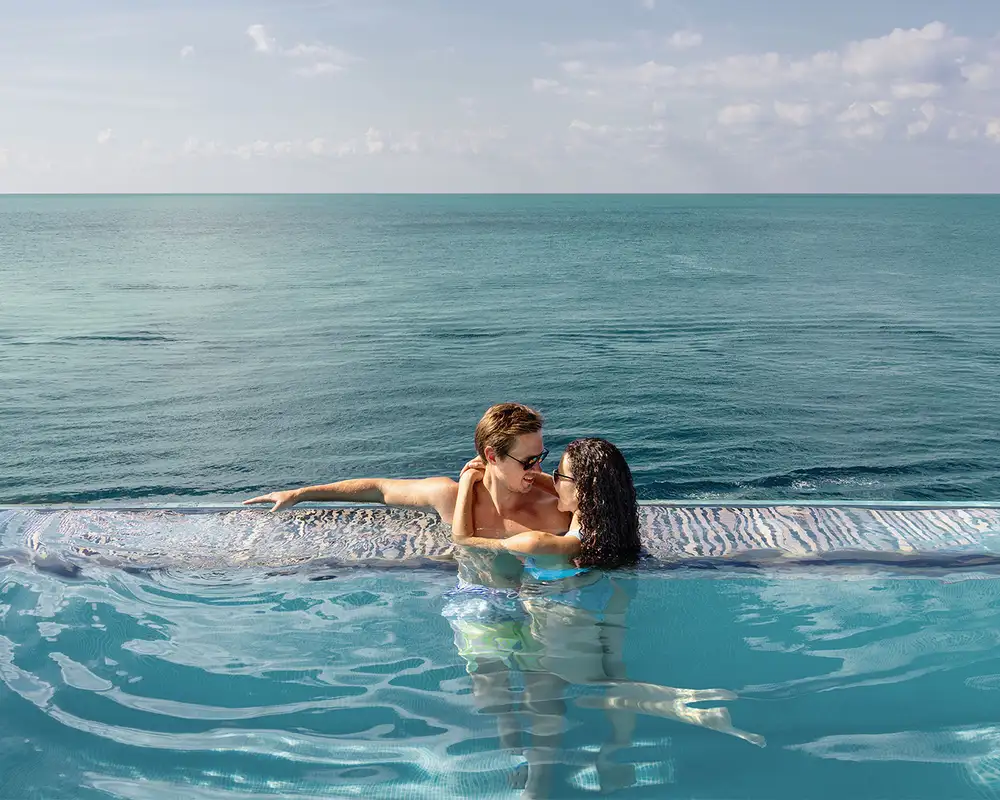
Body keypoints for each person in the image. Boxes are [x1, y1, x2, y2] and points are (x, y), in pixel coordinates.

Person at [453, 438, 763, 796]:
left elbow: (464, 541)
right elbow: (616, 662)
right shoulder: (617, 543)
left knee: (547, 697)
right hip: (594, 617)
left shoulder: (540, 544)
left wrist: (468, 483)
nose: (549, 481)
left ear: (582, 492)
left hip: (557, 634)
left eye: (558, 476)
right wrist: (617, 743)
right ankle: (658, 721)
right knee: (609, 680)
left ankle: (680, 705)